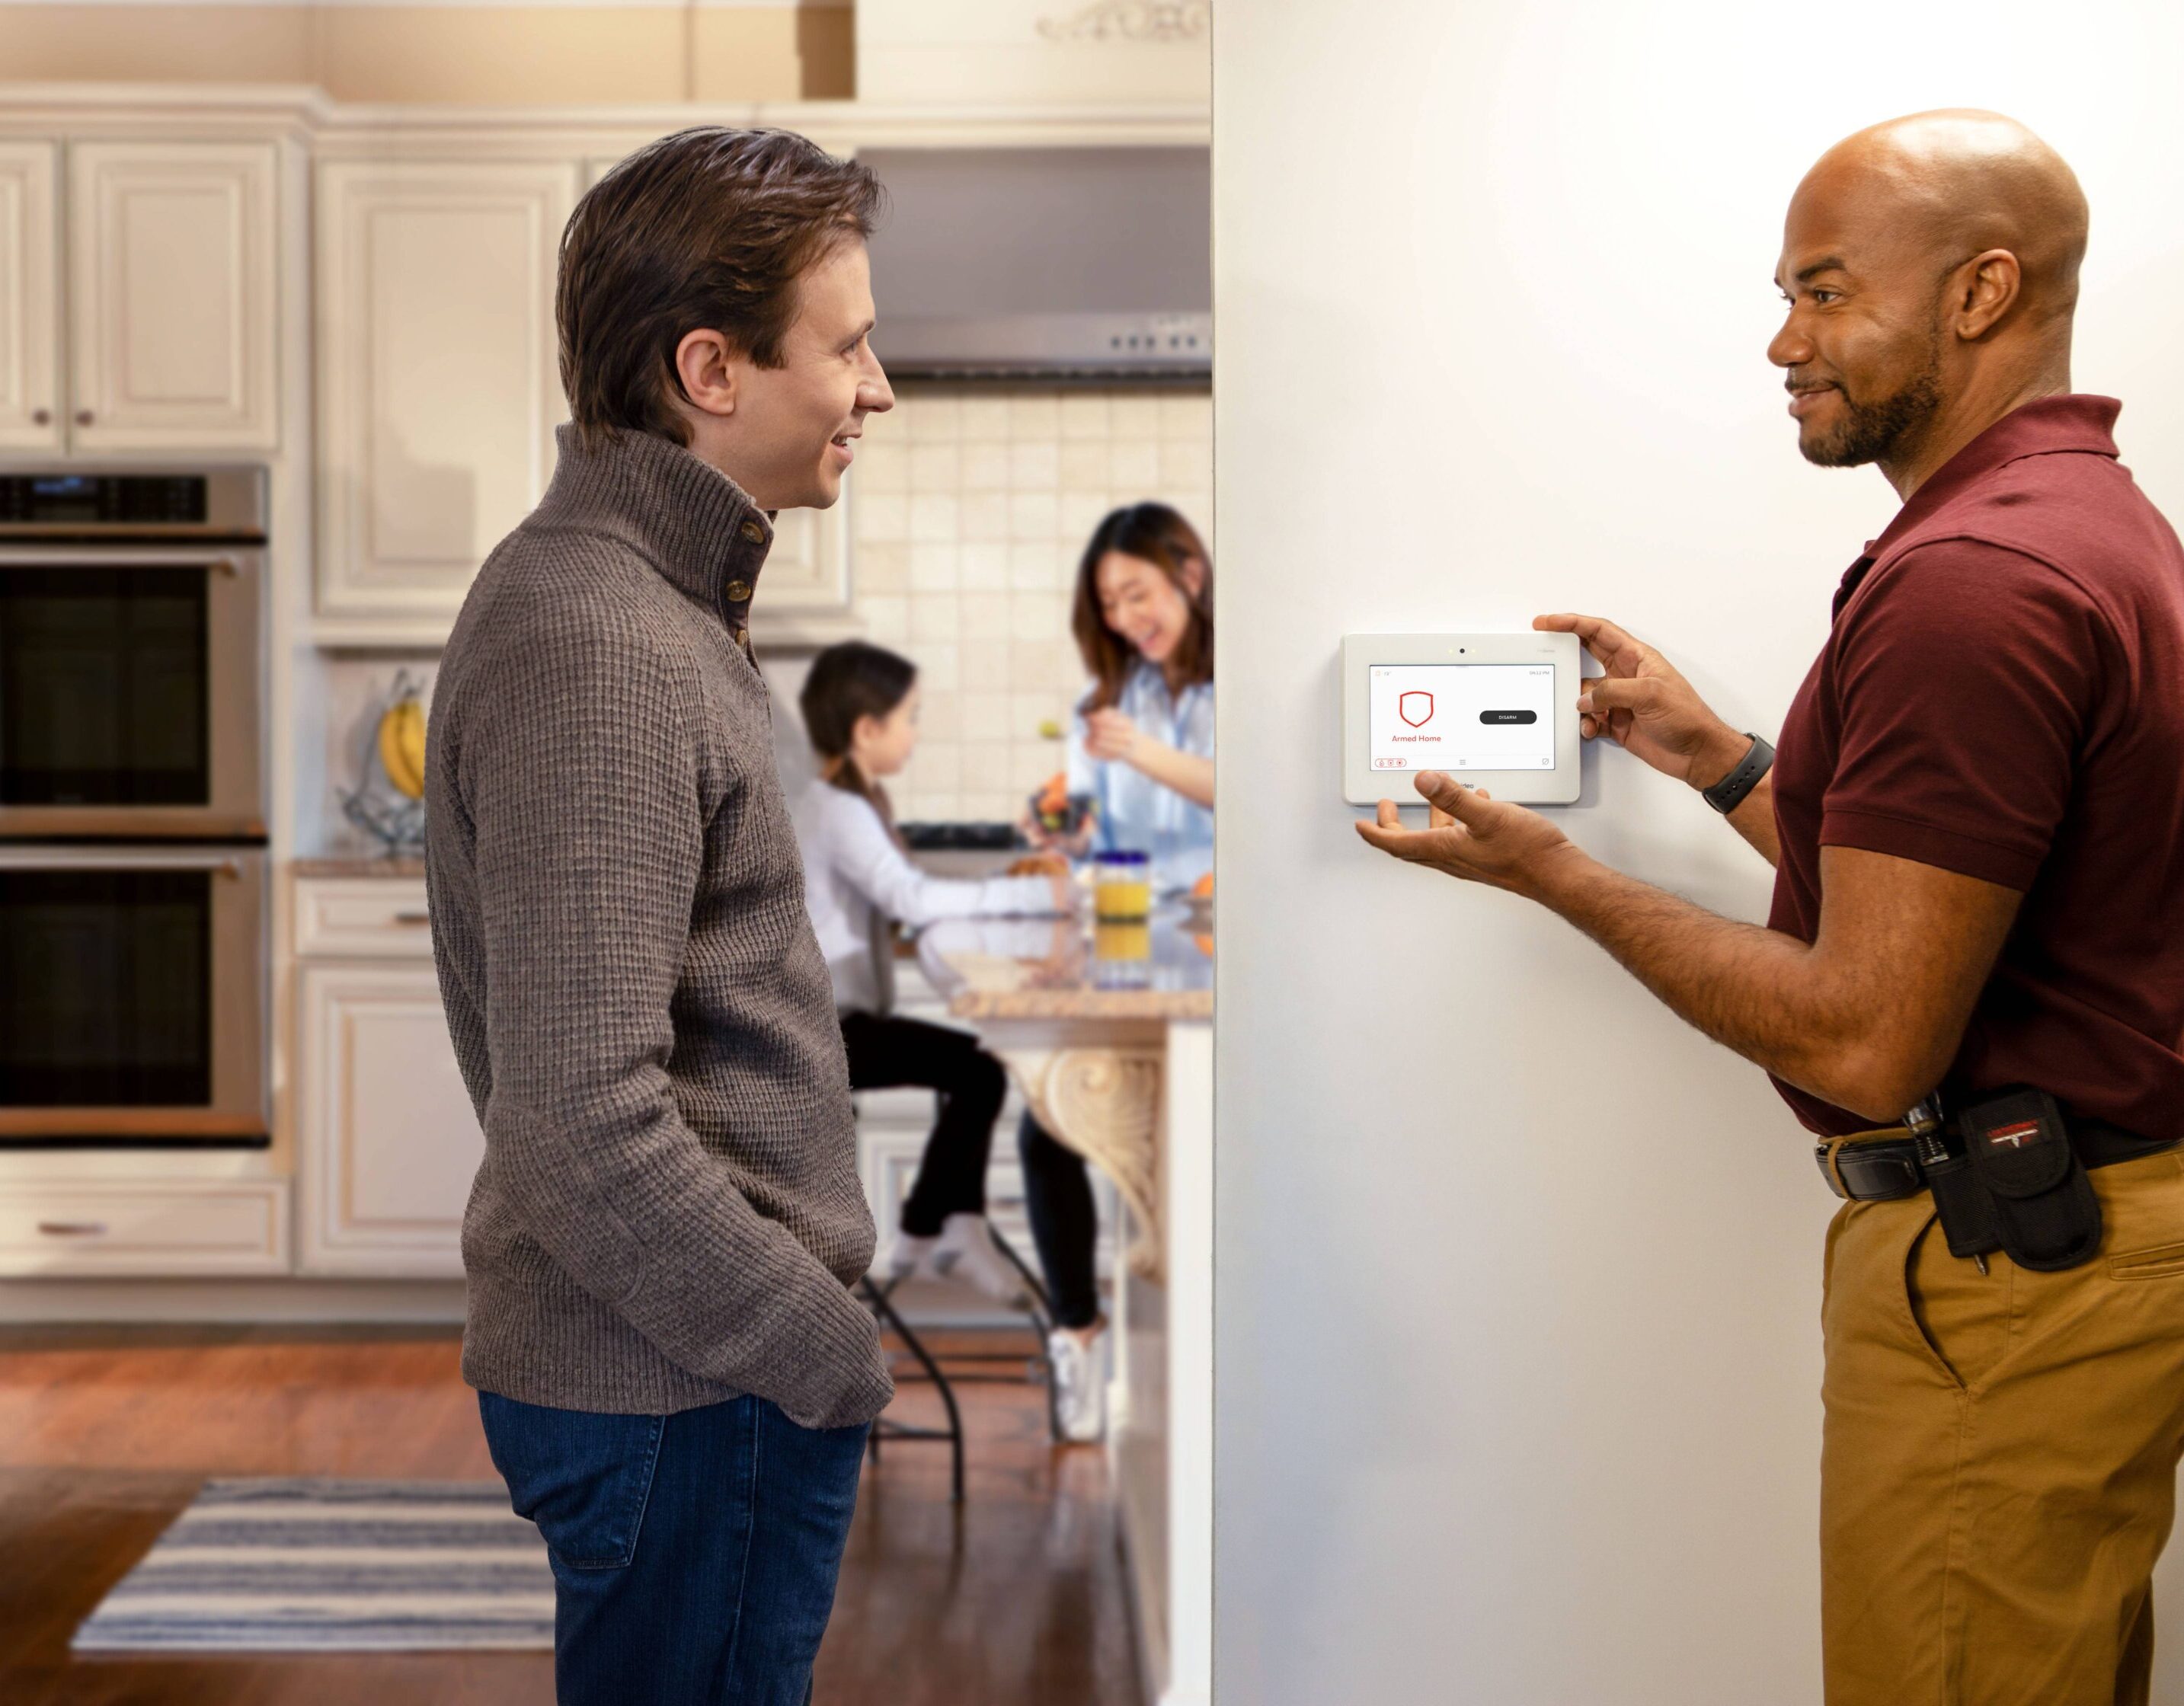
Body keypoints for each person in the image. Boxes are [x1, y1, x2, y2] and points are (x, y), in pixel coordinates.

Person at [1359, 110, 2184, 1705]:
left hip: (2011, 1293)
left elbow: (1869, 1037)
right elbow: (1972, 894)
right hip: (2074, 1268)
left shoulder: (1972, 584)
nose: (1778, 342)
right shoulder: (2084, 528)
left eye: (1819, 293)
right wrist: (1719, 758)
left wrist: (1557, 876)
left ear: (1975, 291)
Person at [424, 127, 897, 1705]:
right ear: (712, 367)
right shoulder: (604, 641)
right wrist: (813, 1348)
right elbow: (579, 1120)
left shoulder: (641, 600)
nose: (876, 389)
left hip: (688, 1375)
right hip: (689, 1387)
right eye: (848, 345)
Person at [791, 640, 1069, 1304]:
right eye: (909, 717)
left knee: (972, 1068)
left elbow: (887, 906)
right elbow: (911, 898)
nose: (915, 736)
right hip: (821, 1033)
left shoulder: (843, 803)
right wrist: (1037, 895)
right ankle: (937, 1235)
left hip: (826, 1020)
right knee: (975, 1069)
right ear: (867, 729)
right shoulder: (840, 809)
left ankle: (945, 1235)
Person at [1022, 501, 1216, 1442]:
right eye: (1106, 600)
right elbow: (1086, 837)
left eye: (1134, 590)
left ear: (1188, 572)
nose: (1123, 613)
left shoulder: (1240, 680)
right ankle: (1077, 1329)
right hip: (1130, 944)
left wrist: (1143, 752)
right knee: (1048, 1117)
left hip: (1226, 948)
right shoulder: (1102, 706)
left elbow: (1251, 786)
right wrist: (1057, 827)